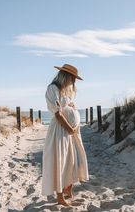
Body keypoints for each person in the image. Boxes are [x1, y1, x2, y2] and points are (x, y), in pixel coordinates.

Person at [41, 64, 89, 206]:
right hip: (61, 130)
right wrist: (69, 128)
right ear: (66, 76)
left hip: (71, 131)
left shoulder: (65, 91)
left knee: (73, 160)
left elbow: (67, 106)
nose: (73, 82)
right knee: (60, 161)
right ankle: (60, 196)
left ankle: (68, 188)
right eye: (73, 79)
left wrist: (72, 107)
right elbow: (58, 114)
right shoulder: (53, 88)